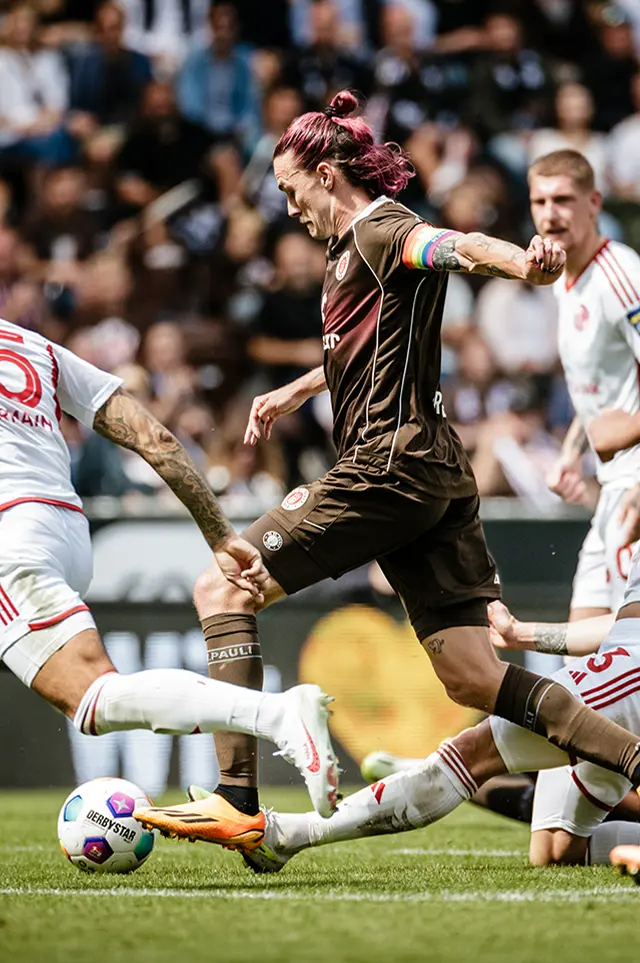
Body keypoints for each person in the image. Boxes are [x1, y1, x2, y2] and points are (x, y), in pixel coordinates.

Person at [136, 91, 640, 852]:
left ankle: (236, 798)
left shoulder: (380, 228)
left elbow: (451, 245)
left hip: (388, 464)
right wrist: (301, 386)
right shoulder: (348, 254)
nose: (287, 206)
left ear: (326, 171)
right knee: (473, 673)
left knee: (224, 585)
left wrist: (520, 263)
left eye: (288, 187)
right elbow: (369, 349)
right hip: (433, 467)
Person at [0, 317, 338, 828]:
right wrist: (220, 535)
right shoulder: (30, 344)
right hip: (65, 525)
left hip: (10, 536)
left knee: (93, 698)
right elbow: (154, 436)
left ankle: (278, 716)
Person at [534, 150, 640, 623]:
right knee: (584, 668)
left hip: (636, 486)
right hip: (610, 493)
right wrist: (571, 450)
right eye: (539, 201)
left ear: (594, 202)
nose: (550, 214)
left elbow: (617, 423)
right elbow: (596, 386)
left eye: (563, 199)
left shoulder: (622, 277)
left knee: (624, 659)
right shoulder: (563, 282)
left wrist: (628, 429)